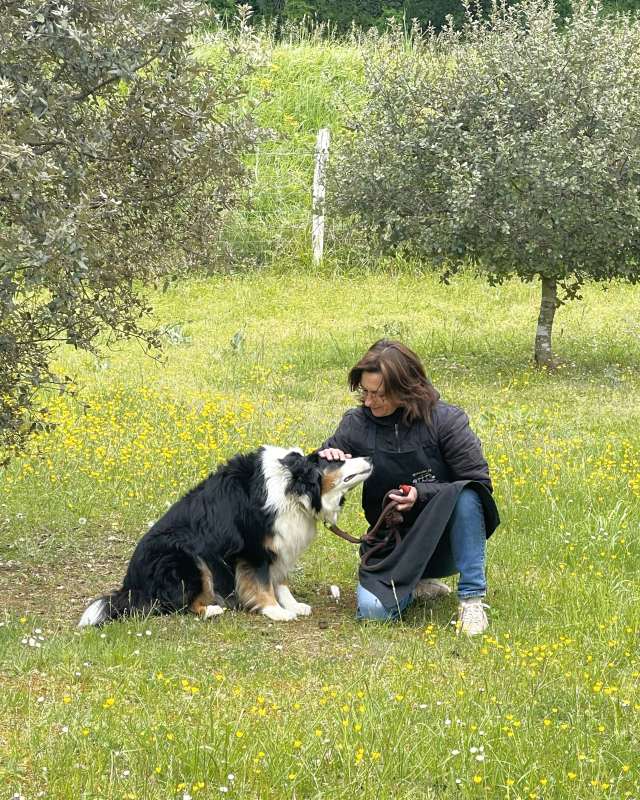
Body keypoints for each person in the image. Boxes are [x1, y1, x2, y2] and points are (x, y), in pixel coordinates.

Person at [318, 339, 500, 635]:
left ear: (406, 388)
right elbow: (318, 476)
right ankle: (416, 586)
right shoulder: (355, 424)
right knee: (374, 612)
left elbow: (480, 484)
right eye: (364, 392)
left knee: (468, 494)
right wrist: (327, 461)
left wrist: (421, 494)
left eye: (378, 394)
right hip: (393, 545)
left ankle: (471, 599)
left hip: (444, 542)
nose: (368, 402)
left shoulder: (447, 421)